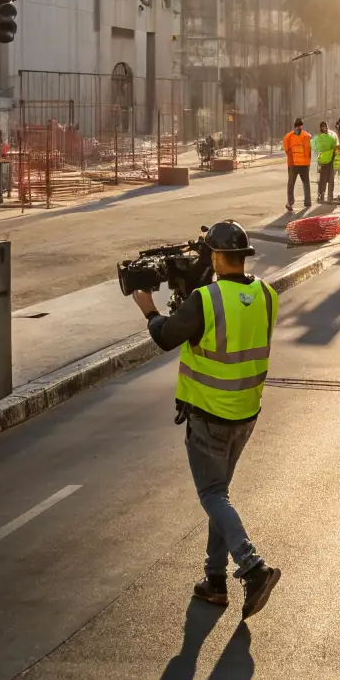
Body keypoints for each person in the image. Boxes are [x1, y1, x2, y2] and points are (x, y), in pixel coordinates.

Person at [132, 221, 281, 617]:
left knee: (213, 496)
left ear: (215, 258)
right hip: (246, 413)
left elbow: (166, 336)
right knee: (221, 495)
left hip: (210, 415)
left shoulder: (205, 299)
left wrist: (147, 307)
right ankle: (214, 579)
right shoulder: (266, 294)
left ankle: (252, 567)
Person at [282, 117, 311, 212]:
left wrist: (292, 158)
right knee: (305, 183)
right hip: (301, 164)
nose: (299, 128)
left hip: (294, 164)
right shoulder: (306, 136)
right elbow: (308, 150)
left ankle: (290, 203)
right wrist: (307, 161)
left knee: (291, 184)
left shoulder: (288, 136)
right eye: (298, 126)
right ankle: (307, 202)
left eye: (299, 126)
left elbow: (287, 150)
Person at [311, 120, 338, 204]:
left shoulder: (332, 135)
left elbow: (337, 148)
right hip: (322, 161)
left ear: (327, 127)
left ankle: (330, 196)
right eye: (321, 127)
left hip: (332, 160)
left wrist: (337, 162)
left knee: (331, 179)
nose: (323, 128)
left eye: (324, 126)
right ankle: (321, 194)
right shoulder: (318, 137)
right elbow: (315, 149)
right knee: (322, 179)